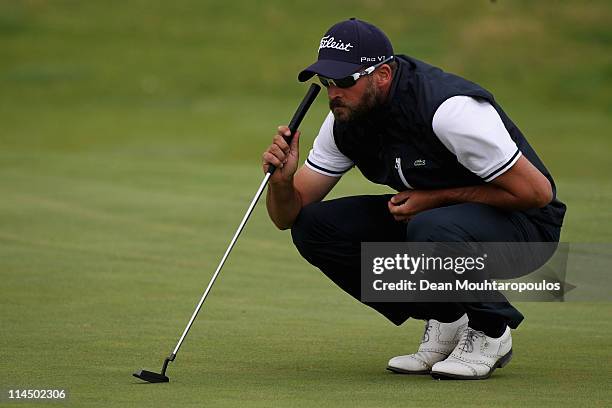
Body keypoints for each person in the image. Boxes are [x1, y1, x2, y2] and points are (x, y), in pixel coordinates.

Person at [262, 18, 566, 380]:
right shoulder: (346, 120)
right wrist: (282, 182)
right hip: (439, 226)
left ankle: (491, 331)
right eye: (326, 82)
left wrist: (435, 199)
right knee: (315, 227)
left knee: (430, 226)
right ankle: (448, 317)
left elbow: (536, 194)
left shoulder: (449, 110)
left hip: (526, 227)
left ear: (384, 75)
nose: (333, 93)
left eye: (344, 81)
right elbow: (288, 215)